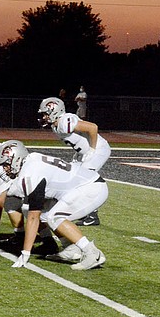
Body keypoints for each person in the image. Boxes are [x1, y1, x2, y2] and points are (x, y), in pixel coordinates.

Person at [0, 140, 108, 271]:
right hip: (80, 186)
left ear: (16, 159)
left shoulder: (30, 175)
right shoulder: (32, 159)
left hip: (90, 187)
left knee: (54, 217)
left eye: (6, 164)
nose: (5, 169)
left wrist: (25, 253)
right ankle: (70, 247)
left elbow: (33, 218)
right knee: (37, 211)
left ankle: (92, 253)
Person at [38, 96, 110, 226]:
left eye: (45, 114)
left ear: (54, 111)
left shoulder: (65, 121)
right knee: (70, 175)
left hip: (99, 149)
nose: (44, 117)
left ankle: (92, 215)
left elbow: (93, 127)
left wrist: (92, 150)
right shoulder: (56, 125)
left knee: (83, 180)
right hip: (83, 153)